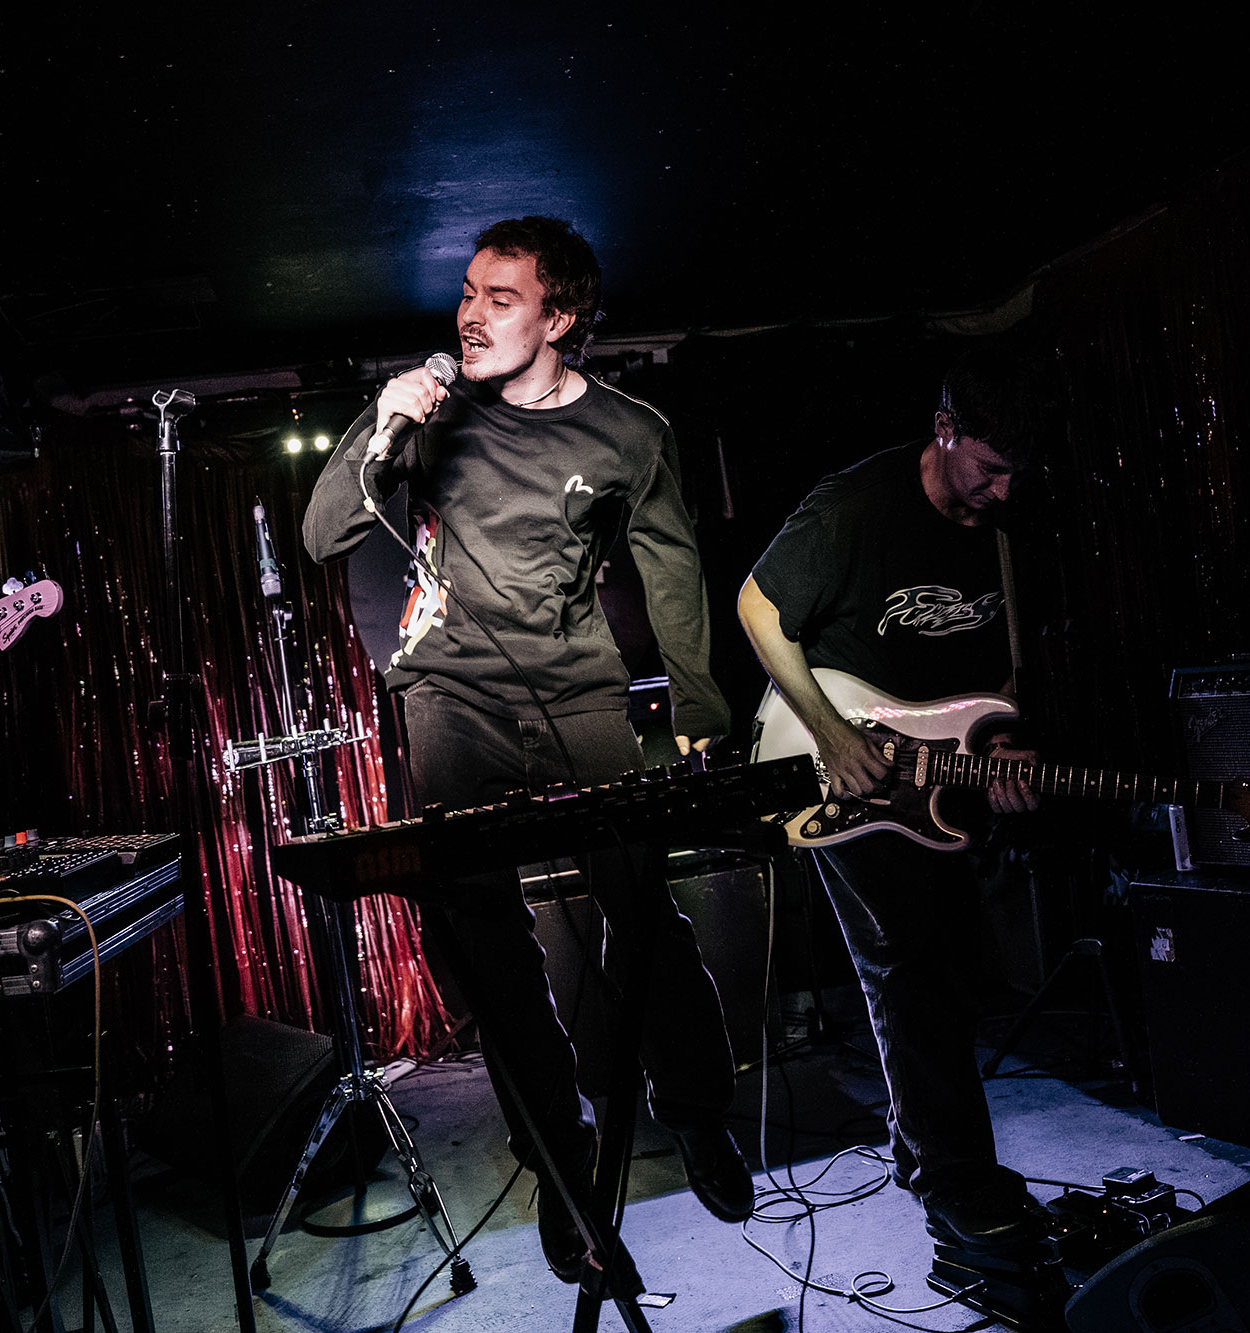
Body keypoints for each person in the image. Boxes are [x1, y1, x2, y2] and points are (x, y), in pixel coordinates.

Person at [302, 216, 751, 1280]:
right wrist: (380, 421)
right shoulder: (429, 411)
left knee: (641, 902)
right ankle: (560, 1161)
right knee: (482, 940)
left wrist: (698, 698)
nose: (470, 313)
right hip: (449, 694)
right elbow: (324, 535)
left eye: (499, 298)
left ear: (560, 317)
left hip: (576, 687)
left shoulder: (629, 432)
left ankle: (696, 1110)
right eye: (467, 292)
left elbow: (671, 563)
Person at [737, 348, 1055, 1253]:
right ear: (945, 428)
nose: (1003, 490)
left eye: (1017, 473)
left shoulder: (1005, 527)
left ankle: (924, 1151)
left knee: (944, 962)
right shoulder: (857, 505)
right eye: (989, 468)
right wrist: (832, 736)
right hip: (845, 763)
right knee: (908, 958)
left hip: (940, 777)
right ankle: (957, 1177)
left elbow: (1000, 668)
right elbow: (759, 607)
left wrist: (1004, 743)